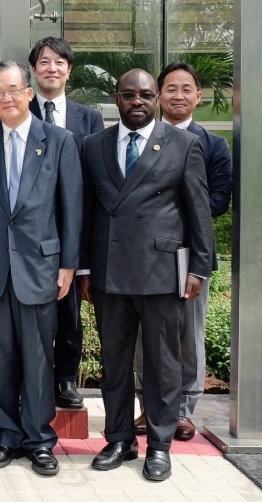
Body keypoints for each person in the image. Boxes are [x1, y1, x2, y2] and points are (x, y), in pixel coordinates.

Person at [77, 69, 213, 482]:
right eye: (128, 95)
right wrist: (83, 266)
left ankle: (159, 445)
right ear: (115, 99)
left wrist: (198, 269)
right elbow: (86, 211)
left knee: (161, 364)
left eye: (146, 95)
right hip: (108, 272)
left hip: (160, 273)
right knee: (115, 362)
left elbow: (199, 213)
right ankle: (118, 439)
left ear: (156, 100)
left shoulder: (184, 144)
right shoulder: (93, 144)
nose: (137, 102)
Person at [0, 61, 83, 476]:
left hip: (41, 265)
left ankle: (39, 438)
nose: (7, 98)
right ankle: (6, 435)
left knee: (37, 356)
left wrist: (69, 263)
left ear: (29, 93)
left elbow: (72, 208)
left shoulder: (60, 140)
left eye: (14, 89)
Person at [133, 62, 232, 440]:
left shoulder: (213, 145)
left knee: (188, 334)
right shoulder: (141, 137)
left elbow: (220, 200)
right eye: (170, 88)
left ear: (198, 96)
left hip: (190, 253)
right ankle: (151, 407)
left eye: (186, 88)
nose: (178, 95)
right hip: (147, 255)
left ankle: (184, 410)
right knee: (147, 334)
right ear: (159, 95)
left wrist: (172, 214)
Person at [26, 37, 104, 410]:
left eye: (59, 62)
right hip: (29, 232)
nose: (51, 68)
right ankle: (33, 380)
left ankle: (66, 379)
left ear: (68, 71)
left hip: (70, 229)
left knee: (68, 312)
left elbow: (92, 183)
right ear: (34, 69)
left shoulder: (88, 118)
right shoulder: (19, 110)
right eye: (44, 62)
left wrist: (82, 253)